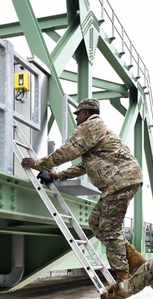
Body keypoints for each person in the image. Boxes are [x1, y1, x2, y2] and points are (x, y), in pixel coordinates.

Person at [21, 98, 144, 281]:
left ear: (85, 113)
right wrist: (57, 176)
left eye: (78, 114)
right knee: (95, 222)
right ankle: (134, 257)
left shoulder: (89, 127)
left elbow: (65, 152)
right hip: (120, 182)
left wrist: (38, 164)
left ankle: (123, 277)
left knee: (110, 230)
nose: (76, 118)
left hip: (119, 181)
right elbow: (84, 166)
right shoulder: (97, 132)